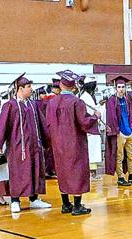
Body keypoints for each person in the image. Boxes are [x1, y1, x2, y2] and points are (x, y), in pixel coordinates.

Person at [44, 69, 101, 216]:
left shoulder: (51, 103)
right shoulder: (77, 102)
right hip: (74, 143)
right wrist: (95, 116)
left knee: (62, 171)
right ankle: (77, 206)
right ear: (73, 86)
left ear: (61, 86)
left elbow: (48, 124)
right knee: (77, 171)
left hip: (57, 144)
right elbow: (84, 122)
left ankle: (65, 204)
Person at [0, 74, 51, 214]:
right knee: (18, 173)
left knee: (35, 171)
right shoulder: (10, 106)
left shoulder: (33, 105)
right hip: (18, 147)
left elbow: (42, 124)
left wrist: (47, 139)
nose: (31, 89)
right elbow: (2, 126)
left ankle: (34, 199)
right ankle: (15, 200)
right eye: (29, 87)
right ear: (20, 89)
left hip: (34, 146)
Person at [104, 75, 132, 186]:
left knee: (131, 155)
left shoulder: (128, 98)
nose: (121, 89)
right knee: (119, 156)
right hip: (120, 132)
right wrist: (116, 131)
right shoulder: (111, 100)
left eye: (123, 87)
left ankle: (131, 175)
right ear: (116, 88)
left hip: (129, 131)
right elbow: (111, 117)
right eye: (119, 87)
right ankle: (120, 177)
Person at [79, 75, 103, 179]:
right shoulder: (84, 97)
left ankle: (93, 172)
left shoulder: (89, 96)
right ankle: (91, 173)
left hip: (93, 125)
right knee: (91, 150)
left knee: (94, 150)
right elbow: (87, 113)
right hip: (89, 126)